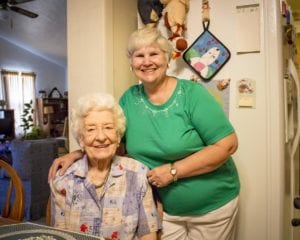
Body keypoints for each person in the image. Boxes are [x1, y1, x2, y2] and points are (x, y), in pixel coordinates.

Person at [49, 27, 240, 240]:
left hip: (211, 207)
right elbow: (113, 142)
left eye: (154, 54)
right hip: (165, 209)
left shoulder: (192, 94)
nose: (147, 61)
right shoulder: (128, 100)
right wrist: (77, 153)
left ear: (167, 59)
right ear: (131, 64)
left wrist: (173, 171)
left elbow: (228, 145)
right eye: (139, 55)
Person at [49, 93, 161, 240]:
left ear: (118, 136)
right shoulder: (62, 179)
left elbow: (148, 234)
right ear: (81, 139)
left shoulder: (138, 173)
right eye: (91, 129)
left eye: (108, 127)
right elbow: (59, 235)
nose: (101, 137)